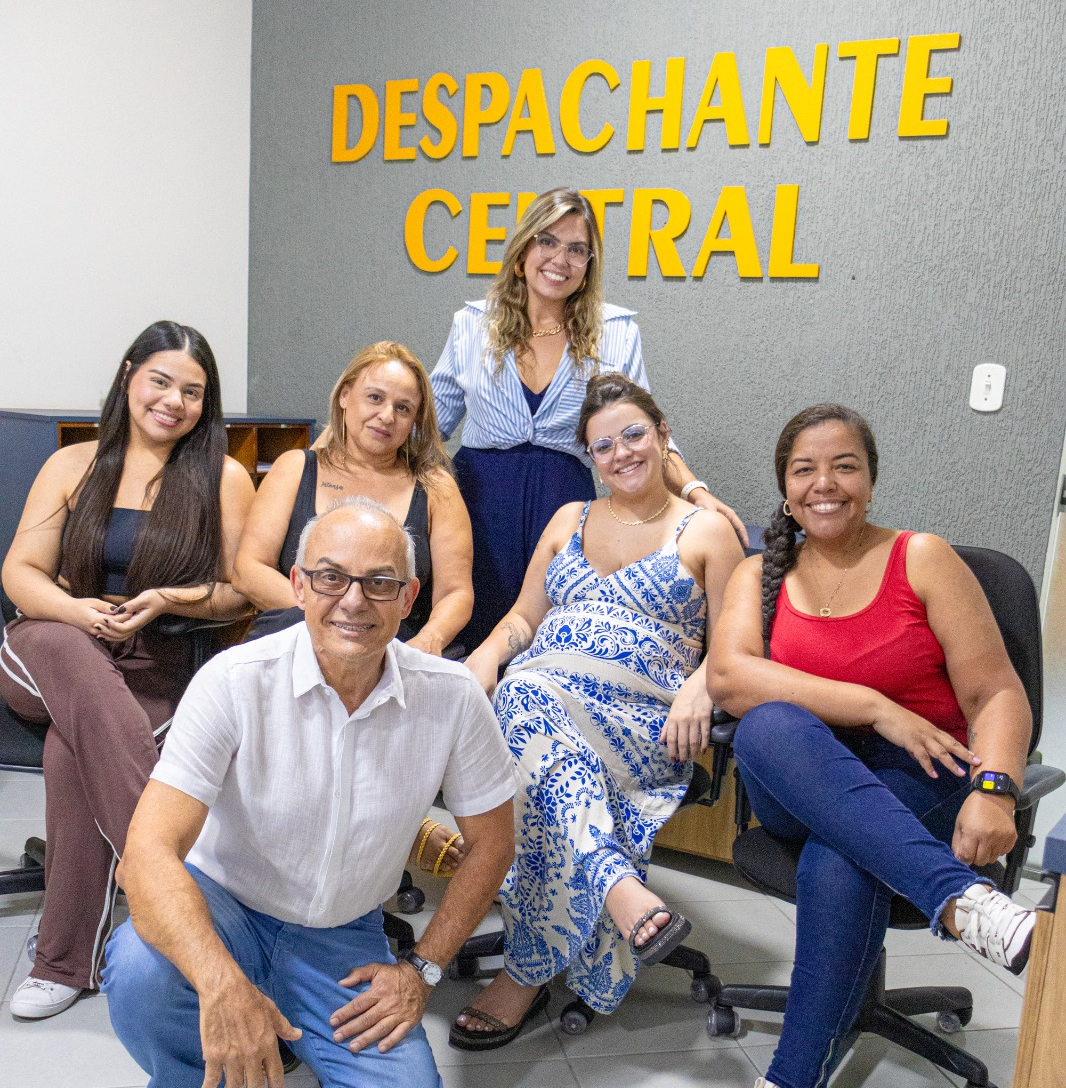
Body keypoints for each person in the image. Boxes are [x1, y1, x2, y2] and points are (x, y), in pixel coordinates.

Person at [102, 499, 516, 1088]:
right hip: (225, 908)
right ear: (298, 585)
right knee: (141, 970)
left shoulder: (451, 697)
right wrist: (221, 985)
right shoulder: (233, 681)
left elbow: (493, 844)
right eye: (330, 578)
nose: (353, 601)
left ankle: (279, 1030)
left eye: (379, 583)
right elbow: (146, 854)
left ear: (408, 598)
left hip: (340, 937)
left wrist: (421, 970)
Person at [708, 404, 1038, 1088]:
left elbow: (997, 695)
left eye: (844, 466)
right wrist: (876, 708)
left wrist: (995, 790)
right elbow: (730, 680)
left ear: (871, 480)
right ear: (786, 487)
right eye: (805, 470)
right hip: (796, 779)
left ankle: (788, 1078)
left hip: (922, 778)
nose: (825, 484)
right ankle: (961, 900)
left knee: (840, 858)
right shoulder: (758, 574)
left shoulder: (923, 558)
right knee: (767, 724)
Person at [450, 374, 745, 1050]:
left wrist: (702, 687)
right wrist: (486, 656)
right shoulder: (569, 519)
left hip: (639, 721)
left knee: (522, 708)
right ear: (590, 457)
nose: (621, 453)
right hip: (541, 697)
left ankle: (524, 974)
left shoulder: (707, 530)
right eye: (602, 446)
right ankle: (613, 882)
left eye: (633, 434)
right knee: (522, 699)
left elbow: (735, 647)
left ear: (663, 436)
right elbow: (524, 616)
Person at [0, 320, 255, 1019]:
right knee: (67, 657)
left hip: (153, 665)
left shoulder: (224, 478)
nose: (174, 401)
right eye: (160, 381)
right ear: (128, 376)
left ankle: (64, 963)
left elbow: (238, 592)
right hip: (48, 645)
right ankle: (173, 887)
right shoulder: (72, 465)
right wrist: (77, 613)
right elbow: (20, 571)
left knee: (71, 751)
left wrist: (168, 598)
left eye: (192, 392)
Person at [430, 186, 746, 648]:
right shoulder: (472, 323)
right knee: (476, 636)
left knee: (549, 632)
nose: (560, 259)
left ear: (588, 265)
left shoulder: (615, 331)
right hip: (478, 502)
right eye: (547, 241)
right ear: (523, 251)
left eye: (577, 249)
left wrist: (696, 491)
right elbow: (427, 428)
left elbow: (644, 430)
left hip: (562, 503)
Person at [234, 340, 474, 877]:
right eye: (375, 397)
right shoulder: (296, 468)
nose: (387, 416)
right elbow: (248, 568)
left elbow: (457, 592)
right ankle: (396, 836)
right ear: (345, 396)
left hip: (396, 641)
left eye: (404, 408)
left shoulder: (434, 486)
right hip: (295, 628)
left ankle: (364, 842)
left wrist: (428, 639)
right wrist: (331, 615)